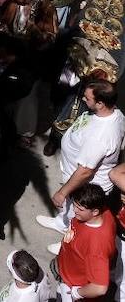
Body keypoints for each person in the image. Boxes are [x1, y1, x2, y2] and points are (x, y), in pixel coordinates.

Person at [37, 80, 125, 232]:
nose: (84, 99)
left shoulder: (101, 136)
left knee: (79, 211)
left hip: (85, 184)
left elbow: (85, 171)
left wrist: (62, 192)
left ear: (100, 103)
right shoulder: (116, 113)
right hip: (75, 175)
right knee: (70, 206)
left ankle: (70, 237)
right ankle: (62, 223)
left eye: (88, 98)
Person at [53, 185, 114, 299]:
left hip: (72, 284)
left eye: (80, 209)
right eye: (75, 205)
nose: (75, 211)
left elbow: (100, 287)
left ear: (95, 211)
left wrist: (77, 293)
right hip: (66, 267)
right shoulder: (103, 211)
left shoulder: (96, 246)